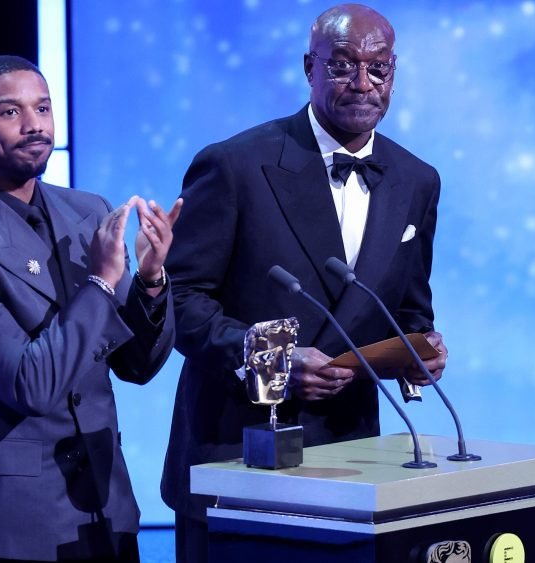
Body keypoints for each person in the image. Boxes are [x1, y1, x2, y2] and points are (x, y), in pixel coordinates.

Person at [160, 4, 448, 562]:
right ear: (309, 68)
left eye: (378, 68)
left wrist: (420, 354)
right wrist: (274, 362)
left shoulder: (417, 180)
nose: (362, 83)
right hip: (238, 448)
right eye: (342, 66)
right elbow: (180, 299)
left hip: (354, 456)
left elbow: (408, 307)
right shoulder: (235, 165)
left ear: (394, 73)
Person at [0, 54, 182, 562]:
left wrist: (151, 279)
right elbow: (31, 384)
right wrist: (101, 282)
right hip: (19, 527)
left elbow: (137, 365)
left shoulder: (88, 212)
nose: (34, 125)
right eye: (11, 112)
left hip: (108, 513)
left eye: (43, 108)